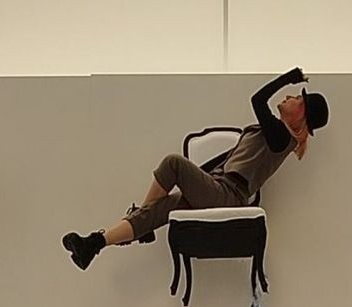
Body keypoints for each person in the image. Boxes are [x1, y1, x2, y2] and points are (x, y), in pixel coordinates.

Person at [62, 67, 329, 270]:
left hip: (228, 195)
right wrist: (196, 178)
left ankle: (141, 223)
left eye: (296, 97)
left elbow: (258, 100)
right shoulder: (275, 136)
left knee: (173, 163)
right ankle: (92, 245)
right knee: (161, 209)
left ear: (301, 113)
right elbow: (224, 163)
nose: (289, 96)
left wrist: (288, 78)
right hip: (218, 188)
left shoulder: (281, 138)